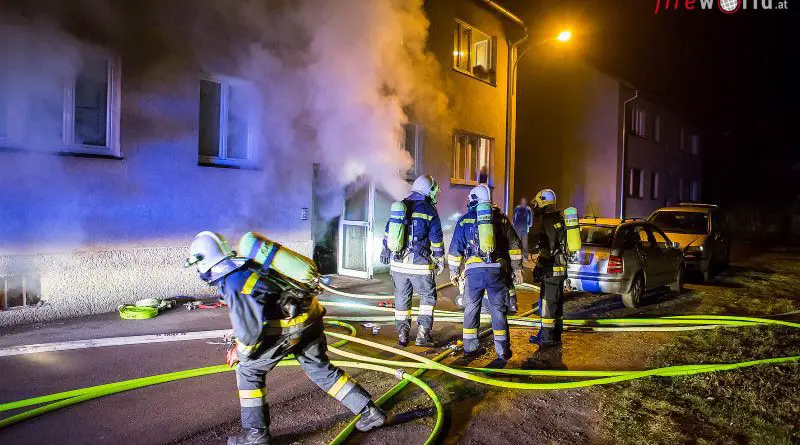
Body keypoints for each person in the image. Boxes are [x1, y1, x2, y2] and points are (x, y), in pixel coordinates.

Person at [185, 231, 385, 445]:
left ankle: (256, 435)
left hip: (291, 327)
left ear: (203, 262)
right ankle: (370, 412)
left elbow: (250, 332)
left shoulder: (234, 282)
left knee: (248, 371)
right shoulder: (247, 265)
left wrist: (239, 351)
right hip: (311, 317)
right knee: (319, 368)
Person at [448, 184, 524, 361]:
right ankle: (502, 350)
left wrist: (454, 271)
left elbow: (455, 249)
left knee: (471, 309)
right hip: (496, 272)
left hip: (473, 273)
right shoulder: (501, 220)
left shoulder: (464, 220)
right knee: (498, 310)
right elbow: (515, 245)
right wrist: (517, 269)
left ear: (473, 200)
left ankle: (470, 348)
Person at [380, 175, 445, 347]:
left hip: (398, 264)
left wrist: (385, 250)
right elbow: (436, 238)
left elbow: (388, 231)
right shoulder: (429, 211)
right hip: (419, 266)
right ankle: (422, 336)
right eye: (433, 190)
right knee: (427, 298)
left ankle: (402, 335)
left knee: (402, 299)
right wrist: (440, 259)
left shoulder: (401, 206)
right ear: (427, 190)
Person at [528, 189, 567, 347]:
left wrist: (538, 267)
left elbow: (548, 249)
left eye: (537, 204)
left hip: (551, 270)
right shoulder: (559, 219)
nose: (535, 208)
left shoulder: (548, 221)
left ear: (544, 202)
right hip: (560, 270)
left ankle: (547, 337)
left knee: (547, 304)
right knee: (556, 303)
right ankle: (555, 334)